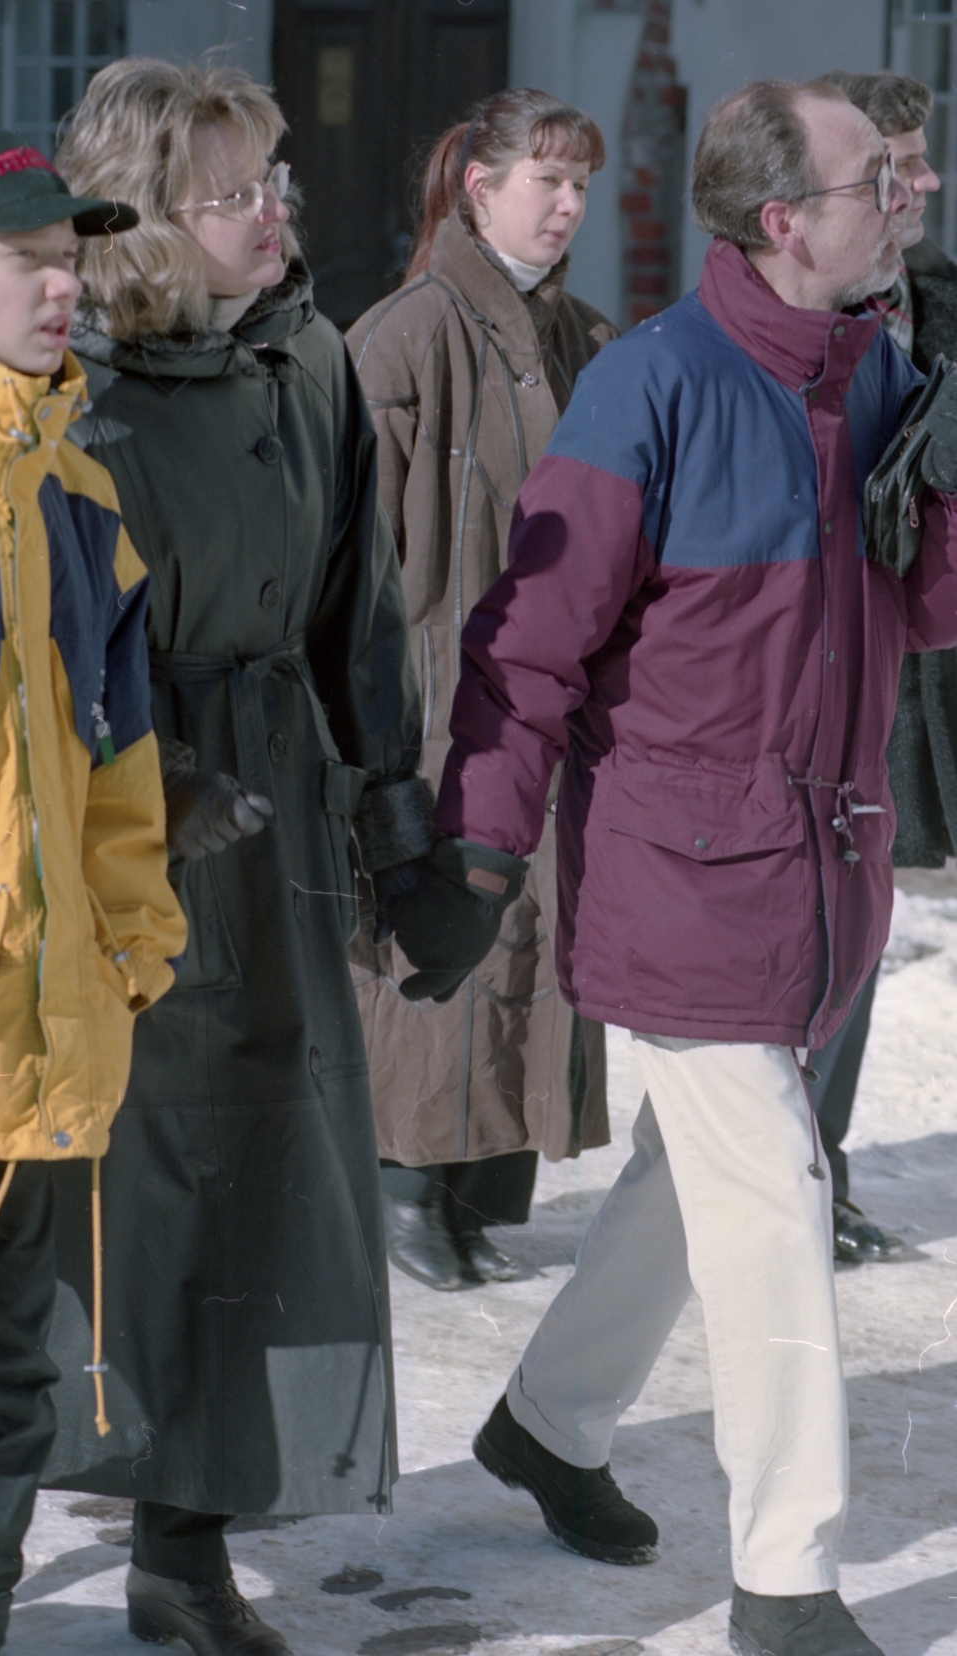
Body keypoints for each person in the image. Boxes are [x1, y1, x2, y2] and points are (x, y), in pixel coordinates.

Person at [375, 78, 957, 1656]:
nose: (903, 198)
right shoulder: (652, 385)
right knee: (770, 1190)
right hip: (686, 869)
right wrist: (478, 851)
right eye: (873, 182)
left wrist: (945, 467)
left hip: (818, 868)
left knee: (689, 1174)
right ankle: (784, 1577)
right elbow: (526, 644)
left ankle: (547, 1421)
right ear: (782, 221)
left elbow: (919, 612)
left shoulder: (874, 373)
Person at [43, 60, 434, 1656]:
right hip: (115, 837)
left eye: (275, 181)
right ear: (142, 217)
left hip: (273, 823)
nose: (274, 213)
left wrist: (399, 821)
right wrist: (146, 783)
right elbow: (33, 655)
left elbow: (360, 609)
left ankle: (182, 1546)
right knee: (116, 1187)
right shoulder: (64, 389)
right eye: (232, 194)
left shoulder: (306, 359)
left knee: (263, 1177)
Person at [345, 90, 614, 1291]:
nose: (569, 206)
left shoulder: (587, 336)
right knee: (445, 936)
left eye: (581, 184)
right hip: (439, 692)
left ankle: (476, 1193)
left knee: (530, 937)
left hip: (551, 699)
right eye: (547, 181)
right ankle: (405, 1188)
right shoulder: (403, 335)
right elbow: (355, 556)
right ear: (479, 187)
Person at [0, 136, 185, 1655]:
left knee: (6, 1365)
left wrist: (131, 944)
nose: (63, 287)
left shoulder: (79, 492)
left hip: (37, 1025)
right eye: (26, 260)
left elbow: (118, 764)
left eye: (71, 260)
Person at [802, 68, 951, 1263]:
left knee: (867, 916)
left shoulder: (942, 301)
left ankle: (821, 1166)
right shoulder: (789, 305)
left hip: (922, 658)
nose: (926, 182)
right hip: (817, 657)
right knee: (813, 924)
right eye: (899, 162)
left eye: (924, 156)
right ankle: (794, 1173)